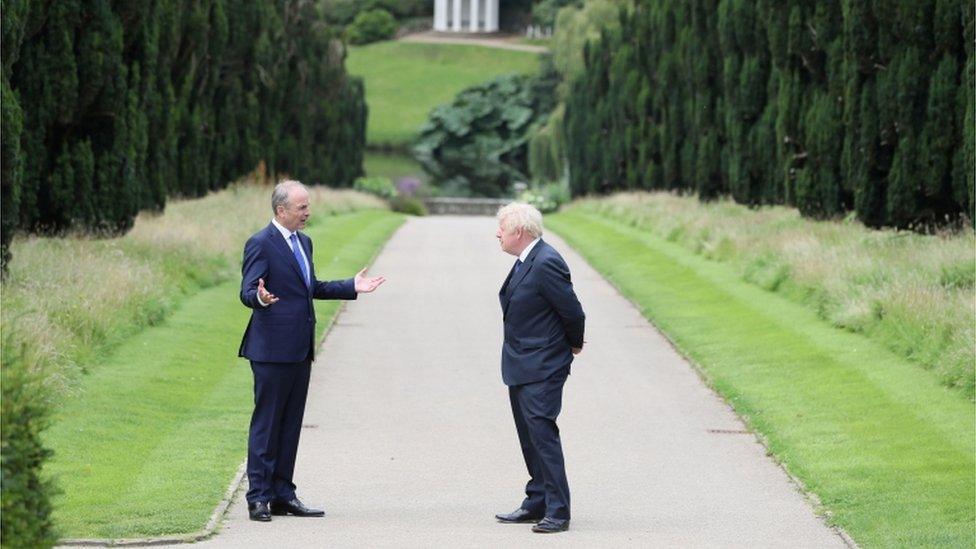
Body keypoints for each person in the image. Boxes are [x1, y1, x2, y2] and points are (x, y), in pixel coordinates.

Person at [238, 180, 385, 522]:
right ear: (281, 210)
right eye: (301, 207)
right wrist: (259, 298)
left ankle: (282, 494)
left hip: (300, 349)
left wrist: (352, 286)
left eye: (307, 206)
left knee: (290, 425)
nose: (308, 213)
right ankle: (258, 497)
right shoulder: (260, 243)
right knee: (267, 423)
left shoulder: (304, 242)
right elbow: (247, 290)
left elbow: (311, 287)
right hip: (271, 350)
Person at [493, 202, 585, 534]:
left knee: (543, 434)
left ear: (519, 231)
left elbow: (573, 311)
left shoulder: (546, 262)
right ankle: (537, 500)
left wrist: (573, 344)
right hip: (521, 363)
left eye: (501, 229)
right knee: (529, 436)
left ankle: (558, 510)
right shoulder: (524, 261)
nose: (497, 234)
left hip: (543, 365)